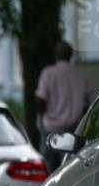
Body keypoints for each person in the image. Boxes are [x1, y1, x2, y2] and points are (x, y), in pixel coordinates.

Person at [35, 41, 93, 172]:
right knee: (68, 167)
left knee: (46, 165)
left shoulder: (48, 74)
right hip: (72, 128)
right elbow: (89, 103)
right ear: (70, 55)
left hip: (49, 127)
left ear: (56, 55)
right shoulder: (79, 75)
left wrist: (39, 119)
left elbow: (41, 101)